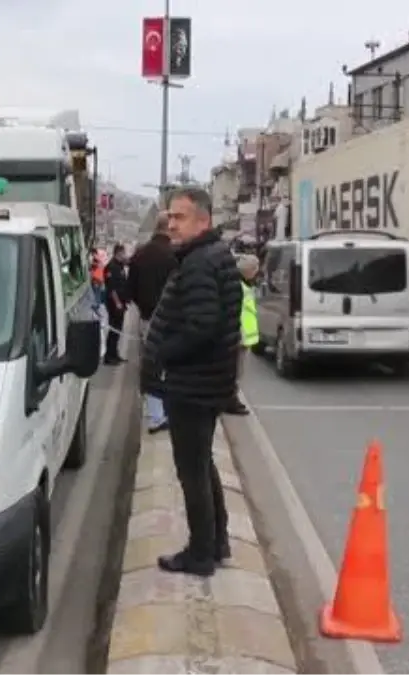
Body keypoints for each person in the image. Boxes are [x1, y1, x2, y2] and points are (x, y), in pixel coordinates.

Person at [142, 187, 241, 577]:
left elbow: (202, 327)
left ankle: (200, 553)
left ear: (204, 221)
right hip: (206, 384)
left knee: (192, 471)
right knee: (203, 464)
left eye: (180, 217)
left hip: (194, 385)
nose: (171, 224)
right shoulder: (209, 256)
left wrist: (163, 352)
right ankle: (216, 542)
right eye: (170, 217)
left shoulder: (200, 262)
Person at [126, 215, 178, 434]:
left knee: (151, 365)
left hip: (148, 318)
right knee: (172, 366)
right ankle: (167, 412)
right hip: (174, 319)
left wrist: (146, 308)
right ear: (168, 229)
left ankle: (156, 414)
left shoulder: (140, 255)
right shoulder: (176, 255)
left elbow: (130, 291)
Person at [226, 254, 260, 415]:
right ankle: (231, 400)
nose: (256, 273)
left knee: (237, 371)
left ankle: (231, 398)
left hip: (244, 337)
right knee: (235, 371)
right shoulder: (239, 286)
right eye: (254, 270)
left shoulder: (246, 285)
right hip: (239, 336)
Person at [103, 244, 129, 365]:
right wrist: (117, 302)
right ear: (118, 253)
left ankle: (115, 353)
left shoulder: (119, 266)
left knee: (118, 330)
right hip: (114, 304)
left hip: (121, 303)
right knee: (114, 330)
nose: (125, 255)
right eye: (124, 253)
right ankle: (109, 356)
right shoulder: (111, 267)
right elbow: (111, 288)